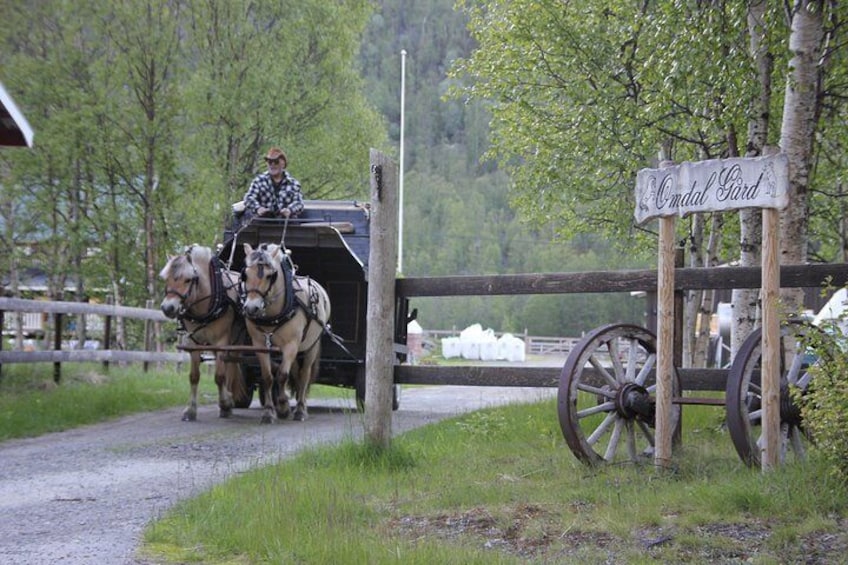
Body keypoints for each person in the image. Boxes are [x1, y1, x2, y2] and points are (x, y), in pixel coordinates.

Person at [243, 146, 304, 218]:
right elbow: (249, 198)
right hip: (263, 223)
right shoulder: (259, 181)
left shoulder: (294, 184)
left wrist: (289, 210)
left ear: (283, 164)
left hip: (286, 223)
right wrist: (258, 208)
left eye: (276, 162)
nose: (273, 165)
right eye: (270, 162)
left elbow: (299, 203)